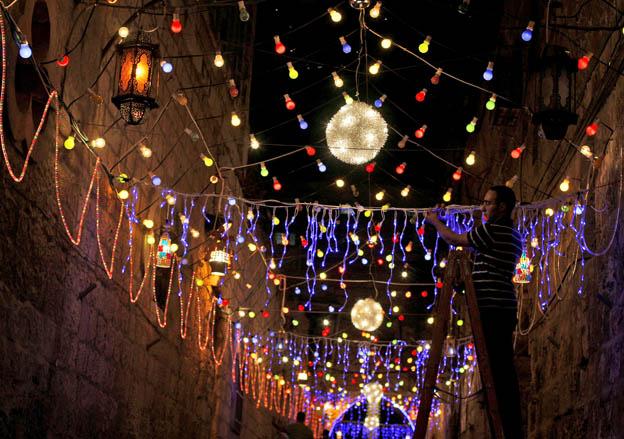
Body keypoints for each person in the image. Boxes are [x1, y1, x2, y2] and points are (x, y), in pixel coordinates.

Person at [425, 185, 524, 439]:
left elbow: (455, 240)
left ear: (502, 207)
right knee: (500, 369)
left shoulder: (494, 231)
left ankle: (508, 431)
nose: (483, 207)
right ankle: (509, 428)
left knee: (498, 372)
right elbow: (480, 252)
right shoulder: (510, 233)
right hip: (501, 305)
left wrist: (435, 221)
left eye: (489, 203)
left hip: (493, 307)